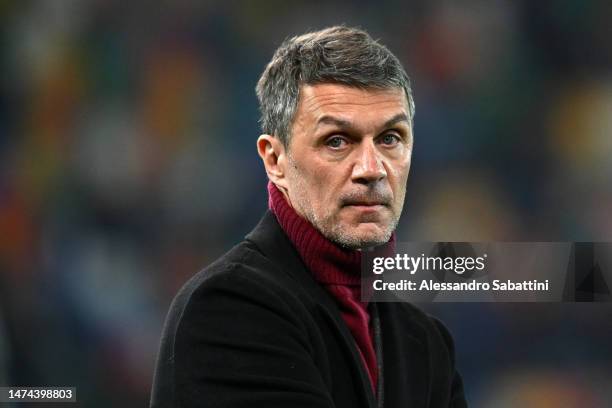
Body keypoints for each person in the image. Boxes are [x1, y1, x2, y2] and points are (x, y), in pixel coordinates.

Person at [150, 26, 467, 408]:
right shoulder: (227, 310)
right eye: (337, 141)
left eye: (390, 139)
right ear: (275, 160)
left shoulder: (426, 343)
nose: (372, 168)